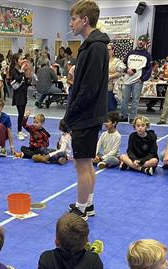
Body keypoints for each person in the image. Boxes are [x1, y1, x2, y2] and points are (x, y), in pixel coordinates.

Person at [62, 0, 109, 220]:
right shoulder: (92, 46)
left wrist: (69, 116)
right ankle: (88, 204)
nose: (70, 23)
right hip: (88, 115)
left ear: (85, 20)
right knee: (87, 162)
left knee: (81, 165)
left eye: (73, 18)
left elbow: (89, 89)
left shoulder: (95, 47)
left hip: (85, 116)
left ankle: (81, 209)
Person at [119, 35, 151, 123]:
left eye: (143, 41)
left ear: (145, 43)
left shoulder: (147, 55)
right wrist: (126, 70)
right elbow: (123, 64)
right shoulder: (130, 53)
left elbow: (149, 69)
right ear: (137, 41)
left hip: (138, 81)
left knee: (135, 100)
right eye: (139, 40)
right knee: (124, 99)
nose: (141, 42)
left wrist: (142, 79)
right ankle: (124, 116)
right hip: (127, 80)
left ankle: (133, 118)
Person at [9, 53, 31, 141]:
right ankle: (19, 131)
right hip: (18, 95)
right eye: (21, 59)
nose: (22, 61)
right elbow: (18, 79)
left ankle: (21, 130)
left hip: (23, 93)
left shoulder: (21, 70)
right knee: (21, 114)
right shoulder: (14, 70)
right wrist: (22, 71)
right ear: (16, 61)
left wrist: (28, 74)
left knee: (22, 114)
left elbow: (26, 82)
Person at [106, 43, 125, 113]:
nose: (107, 51)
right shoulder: (101, 60)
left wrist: (111, 76)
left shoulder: (117, 61)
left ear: (113, 50)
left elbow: (121, 72)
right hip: (101, 87)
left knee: (111, 107)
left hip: (112, 87)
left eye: (109, 49)